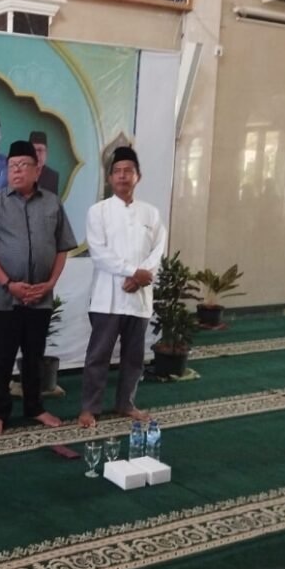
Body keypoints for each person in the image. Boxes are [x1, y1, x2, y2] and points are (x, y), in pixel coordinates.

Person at [0, 140, 77, 436]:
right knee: (1, 358)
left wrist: (51, 284)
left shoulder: (52, 203)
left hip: (40, 297)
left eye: (23, 165)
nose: (16, 171)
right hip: (4, 298)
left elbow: (62, 248)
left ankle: (35, 407)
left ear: (37, 170)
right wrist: (9, 284)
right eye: (12, 166)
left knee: (35, 356)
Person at [78, 145, 167, 428]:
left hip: (139, 299)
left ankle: (125, 403)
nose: (122, 176)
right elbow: (99, 253)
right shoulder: (98, 212)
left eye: (128, 171)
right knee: (98, 357)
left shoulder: (151, 214)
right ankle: (90, 408)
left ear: (138, 176)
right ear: (109, 178)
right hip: (107, 297)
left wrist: (142, 276)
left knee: (134, 357)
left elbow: (158, 251)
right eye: (117, 171)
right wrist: (132, 272)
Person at [29, 130, 59, 195]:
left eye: (40, 150)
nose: (36, 154)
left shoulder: (53, 176)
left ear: (46, 153)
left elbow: (53, 200)